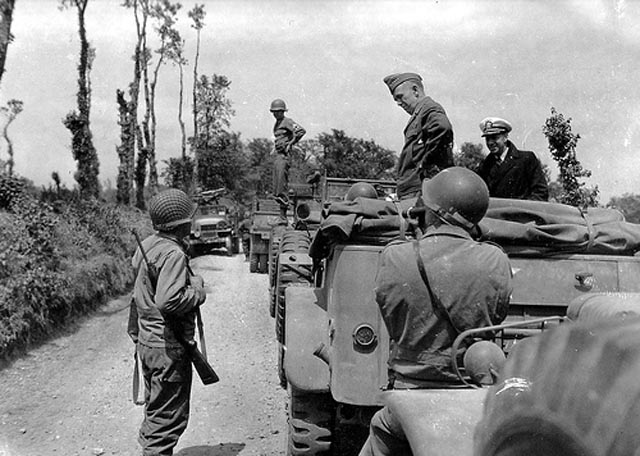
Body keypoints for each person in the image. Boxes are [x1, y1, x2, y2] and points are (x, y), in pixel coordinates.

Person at [359, 167, 513, 456]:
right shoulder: (495, 260)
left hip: (408, 395)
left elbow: (390, 314)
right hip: (472, 397)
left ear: (436, 212)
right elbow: (498, 314)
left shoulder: (395, 256)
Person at [130, 189, 207, 456]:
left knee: (156, 410)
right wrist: (197, 289)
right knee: (167, 420)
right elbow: (168, 301)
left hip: (149, 344)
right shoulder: (172, 254)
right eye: (189, 219)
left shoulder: (149, 245)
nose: (191, 222)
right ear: (180, 224)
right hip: (168, 347)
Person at [383, 72, 454, 199]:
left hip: (420, 190)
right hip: (413, 189)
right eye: (396, 100)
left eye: (400, 97)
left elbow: (442, 128)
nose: (399, 103)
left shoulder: (428, 109)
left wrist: (425, 168)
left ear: (415, 90)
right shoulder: (419, 113)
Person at [477, 117, 549, 200]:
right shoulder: (484, 166)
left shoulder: (526, 159)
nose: (490, 142)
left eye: (494, 137)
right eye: (487, 139)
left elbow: (541, 192)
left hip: (522, 211)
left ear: (505, 137)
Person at [270, 98, 306, 208]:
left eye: (278, 111)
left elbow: (301, 131)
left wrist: (291, 143)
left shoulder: (287, 121)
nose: (276, 114)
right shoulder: (277, 123)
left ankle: (284, 212)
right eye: (274, 112)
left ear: (283, 111)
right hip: (278, 154)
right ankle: (280, 205)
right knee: (276, 184)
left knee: (281, 182)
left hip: (284, 155)